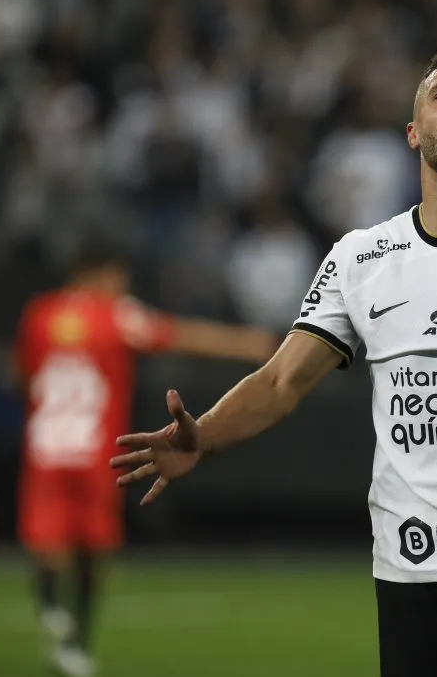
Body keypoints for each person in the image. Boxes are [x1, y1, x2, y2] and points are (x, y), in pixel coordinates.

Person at [113, 48, 437, 677]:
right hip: (407, 561)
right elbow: (280, 380)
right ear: (414, 133)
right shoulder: (362, 258)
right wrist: (207, 435)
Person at [15, 240, 279, 677]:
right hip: (96, 450)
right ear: (99, 273)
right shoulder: (115, 315)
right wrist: (252, 344)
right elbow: (180, 335)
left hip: (47, 448)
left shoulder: (41, 314)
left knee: (46, 540)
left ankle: (50, 610)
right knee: (93, 549)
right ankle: (77, 642)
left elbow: (24, 375)